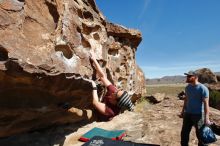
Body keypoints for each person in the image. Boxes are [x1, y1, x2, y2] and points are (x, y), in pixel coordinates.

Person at [90, 51, 134, 121]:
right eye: (118, 91)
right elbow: (102, 76)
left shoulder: (111, 111)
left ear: (115, 102)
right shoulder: (114, 91)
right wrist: (94, 60)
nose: (115, 91)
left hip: (101, 119)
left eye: (116, 94)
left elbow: (95, 103)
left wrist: (94, 87)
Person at [180, 71, 211, 146]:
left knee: (201, 134)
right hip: (188, 114)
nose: (187, 78)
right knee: (184, 133)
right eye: (187, 76)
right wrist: (183, 111)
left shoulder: (203, 88)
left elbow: (206, 104)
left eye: (189, 76)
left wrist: (207, 118)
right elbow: (186, 99)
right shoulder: (187, 87)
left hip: (199, 115)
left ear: (196, 77)